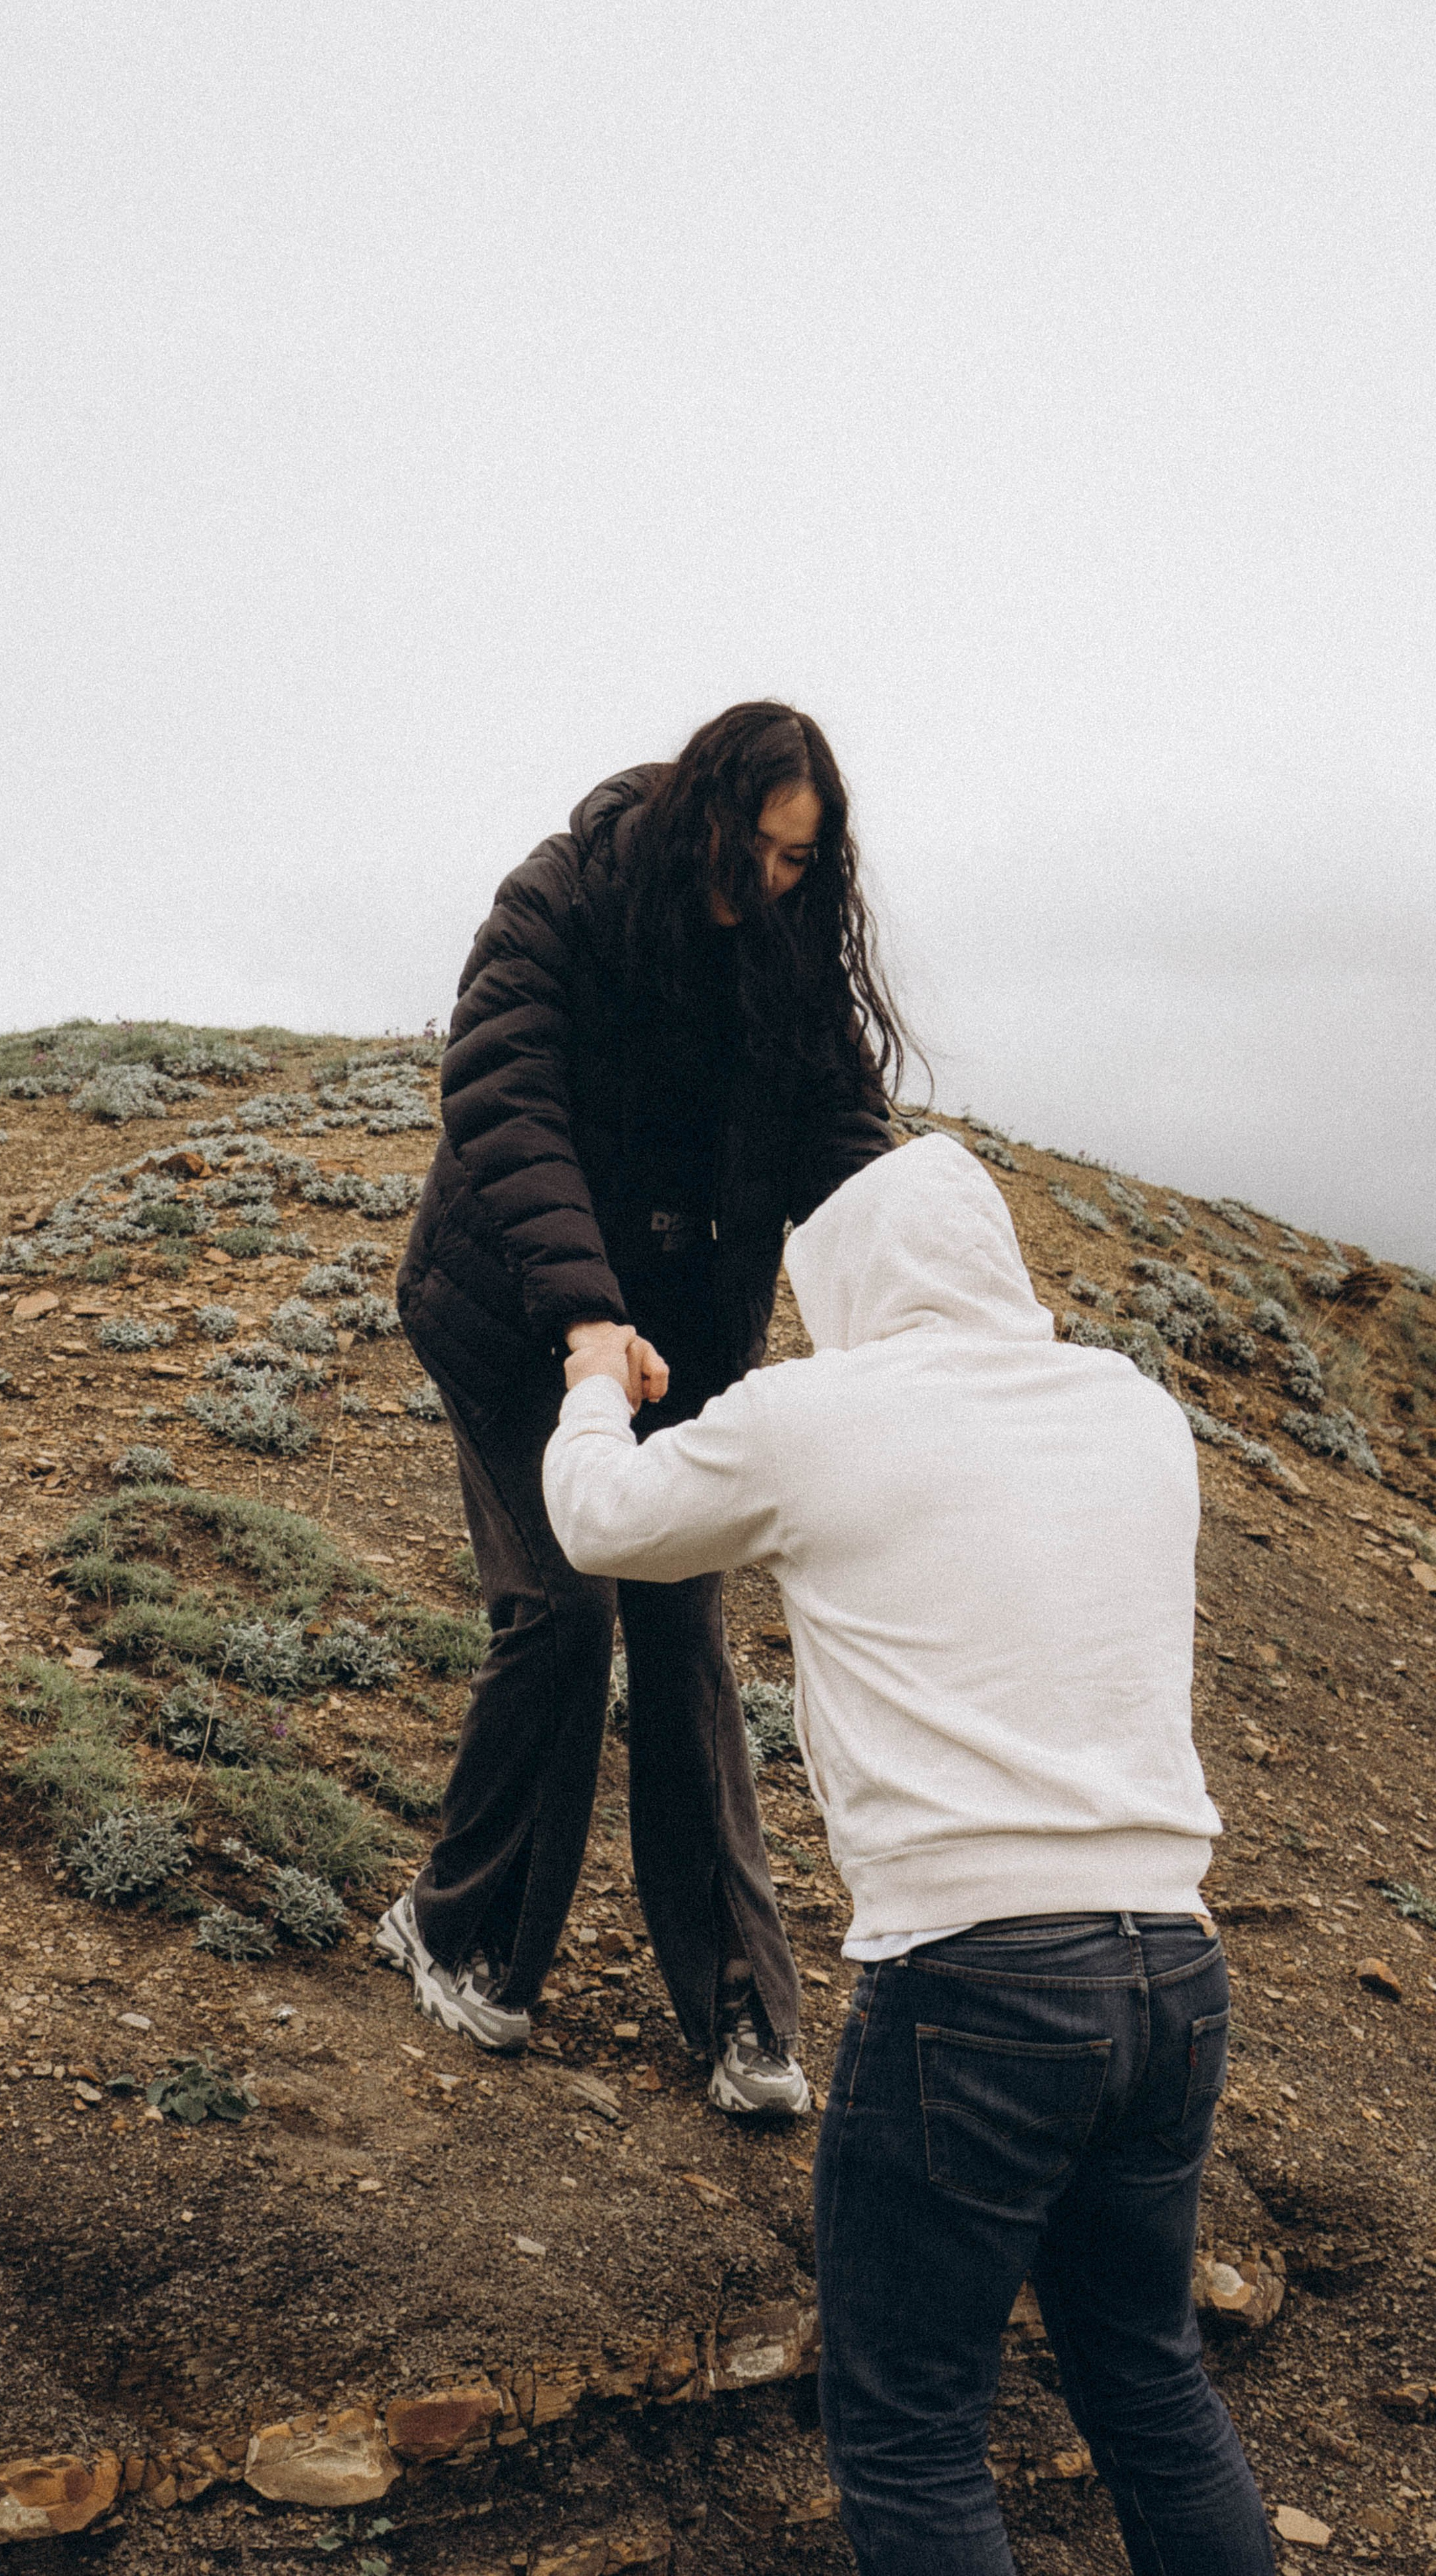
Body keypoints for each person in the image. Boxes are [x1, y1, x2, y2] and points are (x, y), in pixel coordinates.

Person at [541, 1134, 1276, 2575]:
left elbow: (596, 1524)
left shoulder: (818, 1413)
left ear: (846, 1285)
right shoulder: (1132, 1411)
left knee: (911, 2434)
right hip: (1172, 1970)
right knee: (1146, 2382)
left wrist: (586, 1376)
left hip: (973, 1989)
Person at [379, 702, 911, 2116]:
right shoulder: (562, 899)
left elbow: (844, 1146)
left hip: (685, 1339)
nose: (773, 884)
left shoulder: (790, 957)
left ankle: (740, 2017)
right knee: (565, 1608)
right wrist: (582, 1321)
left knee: (681, 1636)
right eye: (757, 851)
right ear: (697, 814)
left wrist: (937, 1299)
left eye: (804, 863)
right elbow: (503, 1101)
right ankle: (458, 1931)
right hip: (513, 1319)